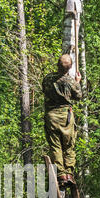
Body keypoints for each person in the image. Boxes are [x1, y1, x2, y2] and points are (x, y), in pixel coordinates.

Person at [42, 54, 82, 188]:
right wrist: (77, 82)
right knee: (69, 145)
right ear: (70, 67)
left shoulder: (47, 79)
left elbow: (45, 90)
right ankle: (69, 173)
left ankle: (61, 175)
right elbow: (79, 96)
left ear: (57, 65)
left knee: (56, 146)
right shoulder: (70, 81)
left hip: (52, 116)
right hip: (66, 116)